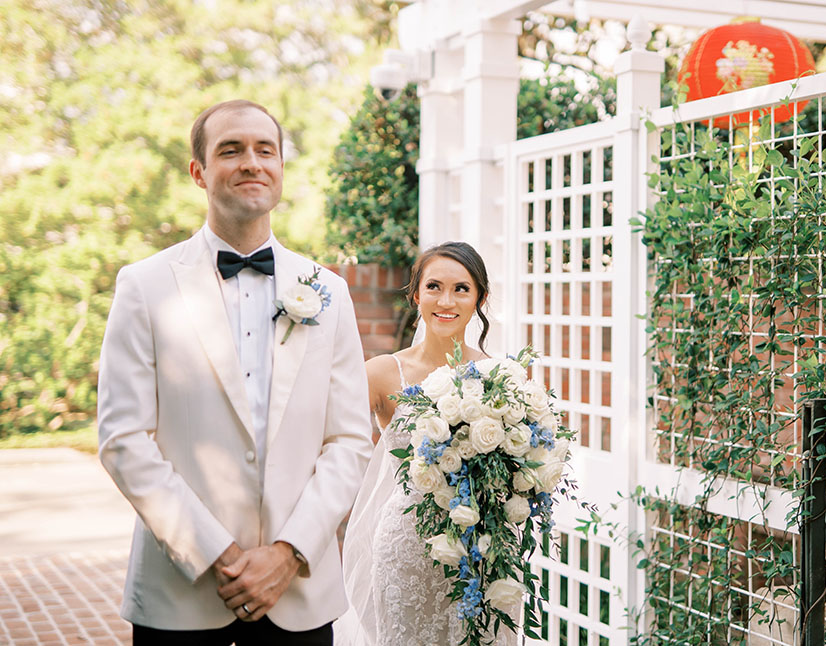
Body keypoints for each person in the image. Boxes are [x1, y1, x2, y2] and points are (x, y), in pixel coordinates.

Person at [97, 99, 373, 645]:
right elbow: (122, 439)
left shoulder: (328, 291)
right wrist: (216, 552)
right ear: (199, 172)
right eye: (231, 150)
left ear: (281, 169)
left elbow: (349, 440)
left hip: (299, 597)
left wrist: (288, 553)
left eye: (264, 150)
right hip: (182, 597)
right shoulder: (144, 285)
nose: (252, 162)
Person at [339, 242, 516, 645]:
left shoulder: (505, 376)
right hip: (406, 546)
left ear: (480, 299)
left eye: (461, 289)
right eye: (434, 286)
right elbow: (331, 439)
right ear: (416, 294)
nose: (446, 300)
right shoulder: (382, 373)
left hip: (483, 548)